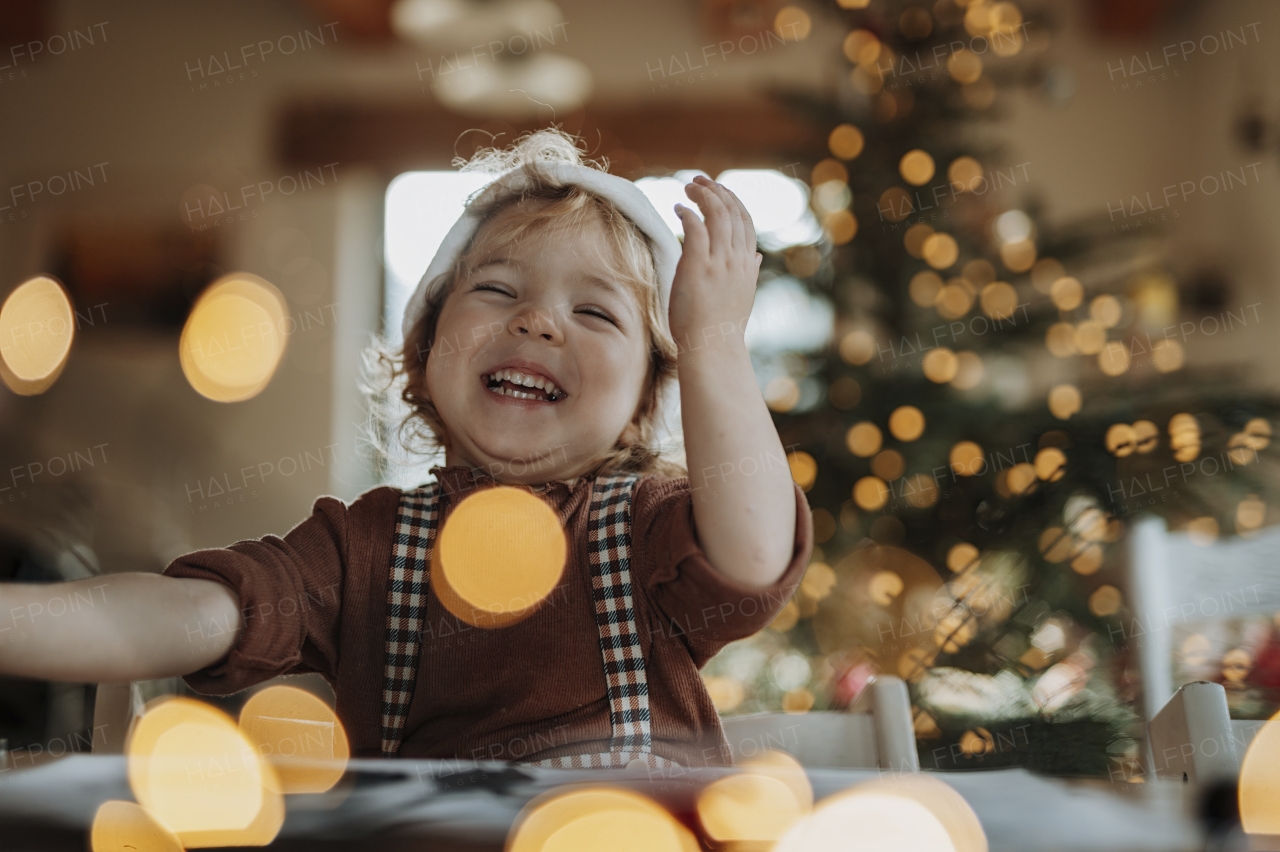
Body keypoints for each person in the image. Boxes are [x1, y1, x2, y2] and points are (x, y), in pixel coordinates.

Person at [0, 129, 812, 768]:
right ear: (424, 354)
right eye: (496, 289)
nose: (537, 320)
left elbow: (752, 553)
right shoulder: (363, 548)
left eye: (596, 314)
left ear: (646, 401)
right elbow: (188, 614)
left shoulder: (649, 527)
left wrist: (712, 343)